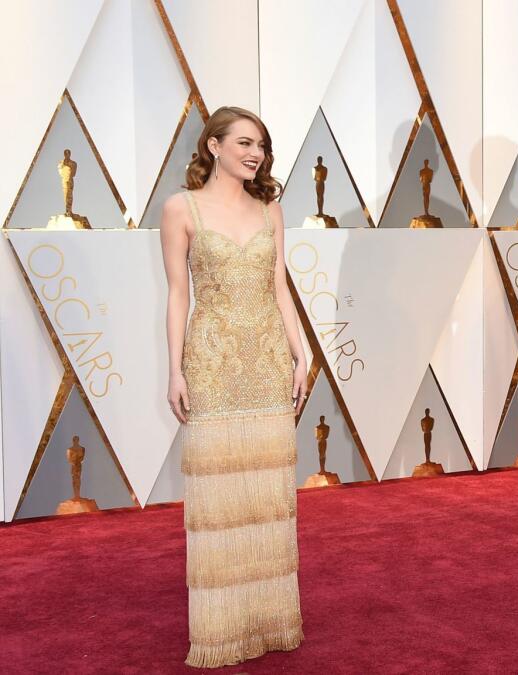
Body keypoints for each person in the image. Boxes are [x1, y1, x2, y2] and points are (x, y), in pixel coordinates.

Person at [162, 106, 308, 667]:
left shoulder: (270, 208)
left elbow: (279, 287)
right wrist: (174, 369)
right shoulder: (182, 207)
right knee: (219, 501)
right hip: (215, 361)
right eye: (245, 142)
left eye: (263, 146)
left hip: (267, 359)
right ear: (214, 145)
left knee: (268, 498)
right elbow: (178, 294)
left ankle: (271, 623)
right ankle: (221, 632)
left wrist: (301, 352)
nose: (256, 153)